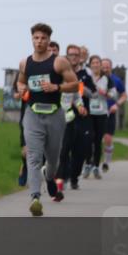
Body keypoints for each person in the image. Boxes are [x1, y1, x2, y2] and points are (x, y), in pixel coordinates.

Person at [17, 23, 78, 216]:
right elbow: (20, 81)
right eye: (36, 38)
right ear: (32, 39)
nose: (39, 41)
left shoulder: (58, 62)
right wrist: (20, 89)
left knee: (53, 158)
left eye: (43, 38)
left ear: (49, 40)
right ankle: (35, 197)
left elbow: (75, 84)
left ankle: (49, 177)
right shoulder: (25, 63)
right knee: (33, 157)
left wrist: (56, 87)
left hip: (54, 115)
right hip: (32, 114)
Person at [56, 44, 89, 193]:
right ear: (67, 56)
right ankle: (58, 177)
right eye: (71, 54)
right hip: (56, 115)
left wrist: (80, 105)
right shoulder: (58, 72)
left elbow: (79, 95)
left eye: (77, 55)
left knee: (75, 149)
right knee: (60, 150)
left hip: (74, 117)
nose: (74, 57)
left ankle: (68, 178)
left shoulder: (83, 75)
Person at [83, 55, 110, 180]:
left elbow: (114, 94)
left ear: (100, 65)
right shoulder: (87, 78)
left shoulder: (107, 79)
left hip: (101, 113)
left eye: (97, 62)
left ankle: (96, 167)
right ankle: (88, 163)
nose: (95, 65)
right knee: (88, 139)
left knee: (98, 141)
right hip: (89, 112)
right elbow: (81, 91)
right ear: (90, 65)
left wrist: (107, 93)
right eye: (93, 63)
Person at [100, 58, 128, 172]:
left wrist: (117, 105)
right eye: (103, 67)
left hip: (110, 112)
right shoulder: (96, 79)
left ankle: (106, 162)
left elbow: (124, 95)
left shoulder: (116, 81)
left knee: (107, 139)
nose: (105, 69)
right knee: (93, 139)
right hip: (96, 112)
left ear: (111, 67)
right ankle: (92, 162)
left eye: (107, 67)